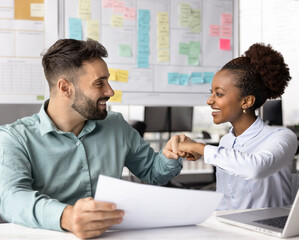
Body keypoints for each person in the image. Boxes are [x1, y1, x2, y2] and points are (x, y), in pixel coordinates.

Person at [0, 38, 186, 239]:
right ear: (65, 88)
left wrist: (169, 156)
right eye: (99, 83)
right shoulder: (14, 138)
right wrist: (67, 217)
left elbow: (152, 171)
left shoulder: (115, 125)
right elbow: (11, 199)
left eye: (107, 81)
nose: (110, 91)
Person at [178, 43, 298, 211]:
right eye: (211, 93)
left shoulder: (282, 136)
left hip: (269, 233)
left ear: (246, 101)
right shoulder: (226, 142)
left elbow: (256, 168)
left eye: (218, 94)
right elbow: (225, 200)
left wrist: (201, 149)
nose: (209, 101)